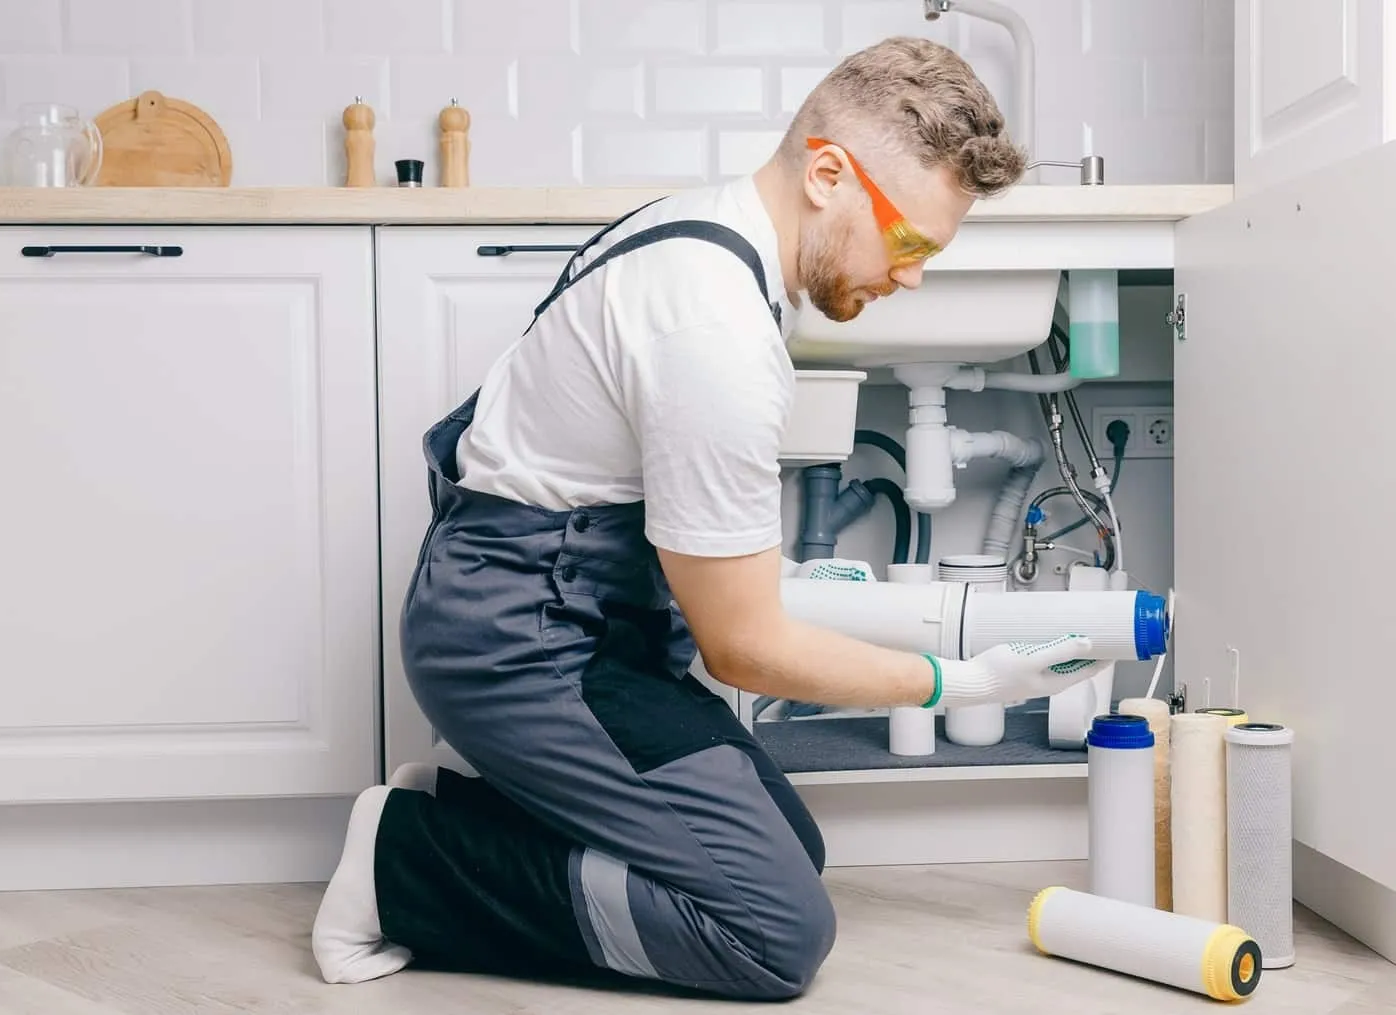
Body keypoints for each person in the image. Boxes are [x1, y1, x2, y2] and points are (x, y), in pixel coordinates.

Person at [309, 36, 1108, 1001]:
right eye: (909, 244)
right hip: (522, 645)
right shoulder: (714, 331)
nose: (912, 279)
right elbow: (744, 647)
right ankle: (405, 866)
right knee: (774, 929)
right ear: (828, 174)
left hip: (572, 621)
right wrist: (964, 680)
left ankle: (460, 807)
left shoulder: (705, 228)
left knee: (791, 848)